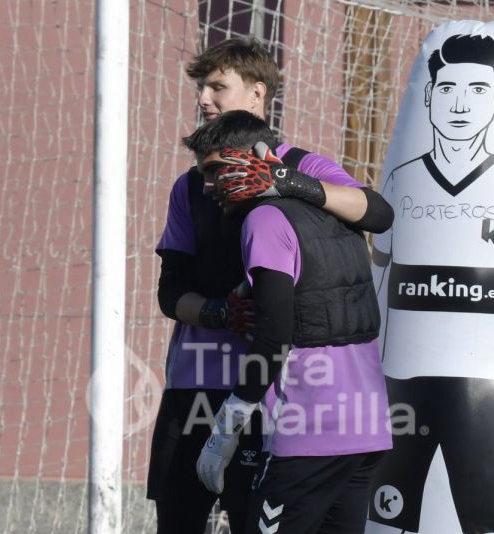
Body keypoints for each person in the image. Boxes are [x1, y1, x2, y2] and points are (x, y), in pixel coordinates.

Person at [148, 36, 389, 533]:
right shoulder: (192, 185)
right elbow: (170, 292)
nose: (203, 99)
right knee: (178, 518)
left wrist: (293, 184)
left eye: (217, 87)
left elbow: (379, 213)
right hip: (198, 379)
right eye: (201, 88)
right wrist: (218, 313)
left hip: (274, 389)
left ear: (257, 95)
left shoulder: (304, 166)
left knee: (251, 518)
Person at [367, 34, 494, 534]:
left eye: (478, 90)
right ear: (430, 95)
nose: (461, 104)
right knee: (382, 522)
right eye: (449, 88)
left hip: (491, 391)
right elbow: (374, 289)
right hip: (401, 391)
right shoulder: (400, 184)